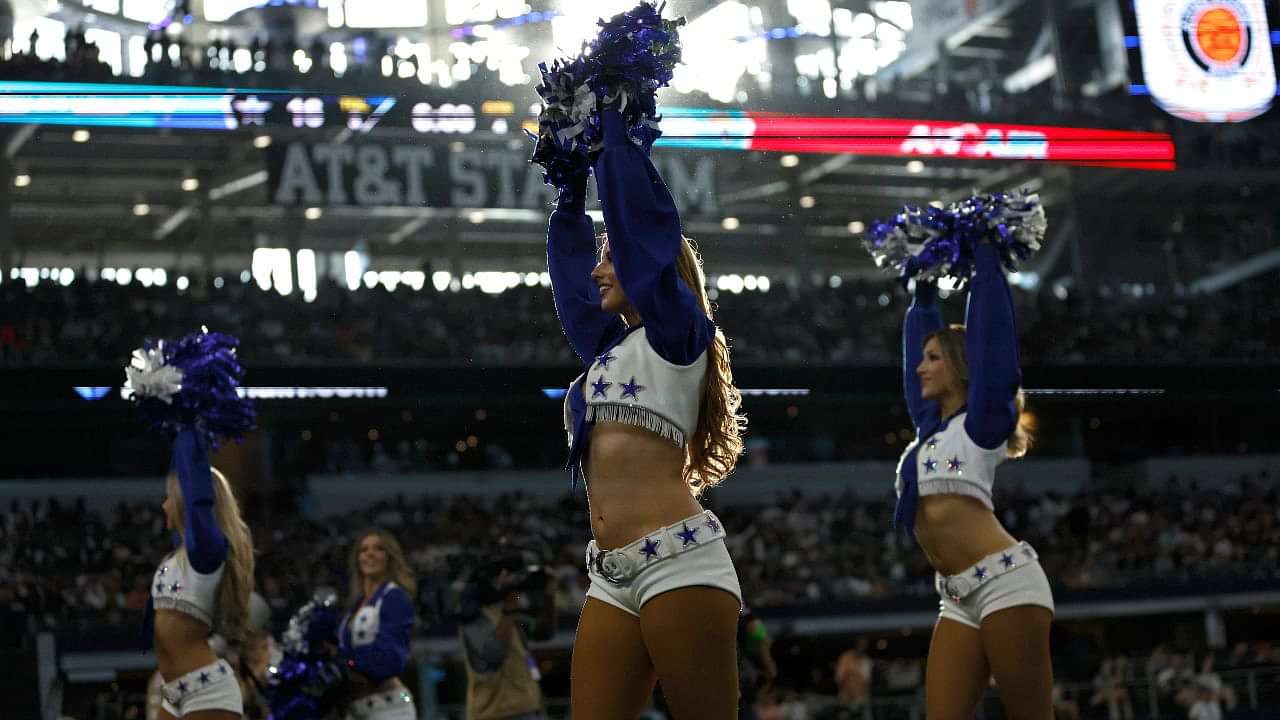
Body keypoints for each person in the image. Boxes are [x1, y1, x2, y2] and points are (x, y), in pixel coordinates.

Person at [547, 104, 747, 719]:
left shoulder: (677, 336)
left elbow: (645, 235)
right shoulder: (610, 351)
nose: (600, 268)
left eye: (612, 258)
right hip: (611, 573)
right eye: (600, 256)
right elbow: (572, 285)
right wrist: (572, 195)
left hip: (680, 559)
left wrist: (612, 132)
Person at [894, 239, 1054, 719]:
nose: (920, 366)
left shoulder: (982, 423)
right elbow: (910, 370)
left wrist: (986, 259)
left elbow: (994, 345)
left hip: (1007, 583)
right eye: (922, 357)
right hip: (956, 595)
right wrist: (923, 296)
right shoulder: (929, 432)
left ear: (962, 368)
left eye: (934, 358)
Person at [153, 429, 256, 719]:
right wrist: (171, 421)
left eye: (168, 498)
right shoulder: (181, 554)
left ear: (184, 502)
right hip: (174, 689)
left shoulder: (206, 554)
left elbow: (197, 489)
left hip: (206, 689)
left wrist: (188, 423)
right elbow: (183, 470)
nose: (163, 505)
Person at [459, 559, 558, 719]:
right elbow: (494, 655)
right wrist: (510, 607)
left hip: (529, 707)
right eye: (503, 576)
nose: (511, 580)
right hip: (495, 712)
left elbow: (544, 632)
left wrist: (549, 595)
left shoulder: (509, 614)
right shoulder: (474, 617)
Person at [338, 530, 418, 720]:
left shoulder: (395, 597)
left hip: (389, 709)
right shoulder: (354, 606)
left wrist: (346, 661)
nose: (370, 554)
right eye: (363, 550)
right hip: (356, 710)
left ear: (390, 557)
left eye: (378, 549)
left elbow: (390, 660)